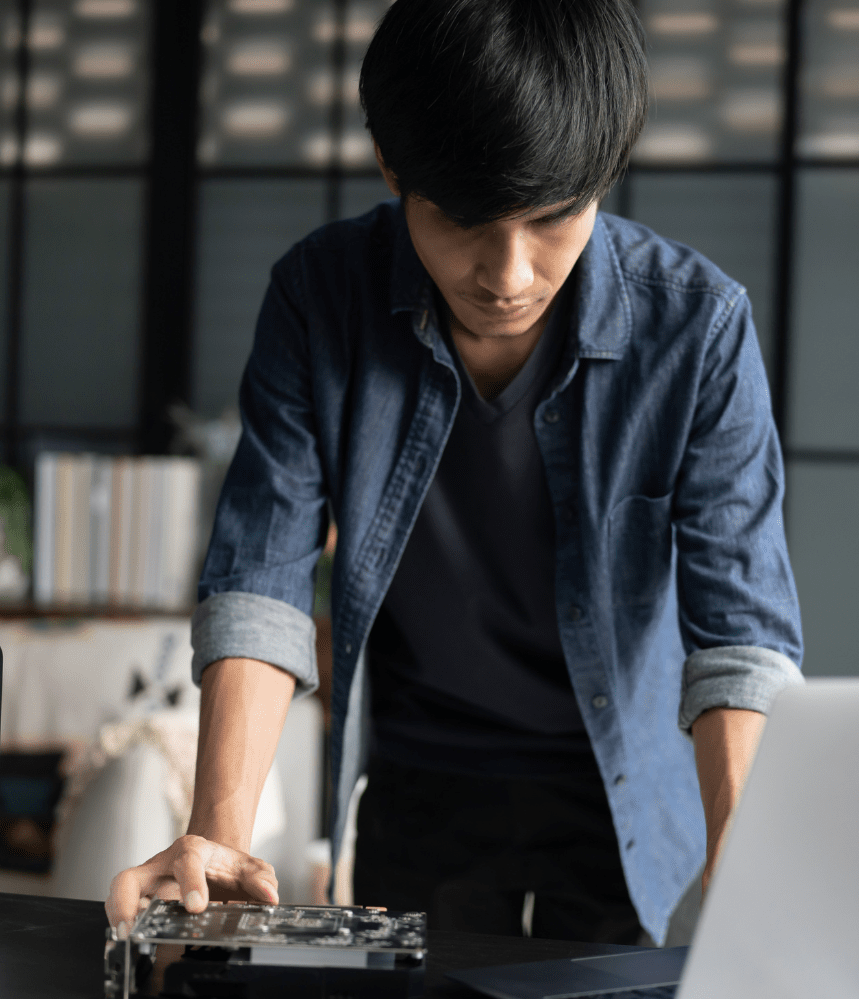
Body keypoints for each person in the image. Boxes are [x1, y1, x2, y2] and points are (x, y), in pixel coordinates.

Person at [107, 0, 801, 946]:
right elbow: (261, 580)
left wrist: (743, 856)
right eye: (466, 220)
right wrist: (218, 838)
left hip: (624, 788)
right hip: (422, 780)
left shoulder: (698, 327)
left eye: (554, 217)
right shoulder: (319, 297)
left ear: (605, 176)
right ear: (392, 165)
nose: (508, 275)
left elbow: (739, 633)